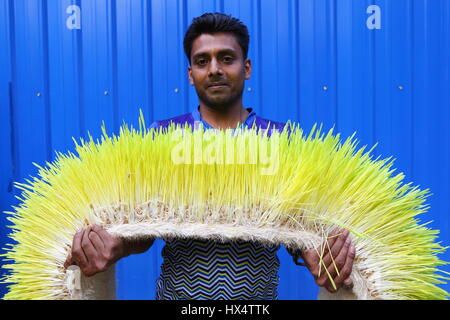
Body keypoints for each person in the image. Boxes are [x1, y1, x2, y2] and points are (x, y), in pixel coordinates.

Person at [64, 12, 356, 299]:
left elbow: (298, 228)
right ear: (191, 74)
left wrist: (323, 250)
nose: (214, 69)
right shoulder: (162, 137)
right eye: (202, 61)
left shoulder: (280, 140)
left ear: (247, 67)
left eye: (226, 58)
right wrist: (111, 244)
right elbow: (141, 227)